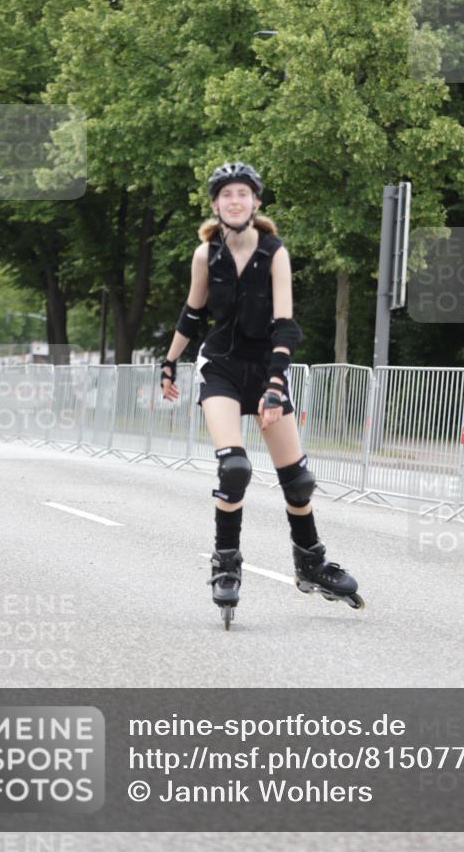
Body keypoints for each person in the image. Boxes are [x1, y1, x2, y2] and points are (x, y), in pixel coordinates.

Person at [160, 161, 364, 628]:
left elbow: (285, 325)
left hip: (265, 369)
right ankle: (226, 565)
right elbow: (192, 315)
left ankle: (310, 562)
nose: (235, 201)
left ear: (255, 202)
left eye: (243, 194)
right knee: (234, 468)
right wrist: (170, 360)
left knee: (298, 481)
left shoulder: (275, 252)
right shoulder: (204, 254)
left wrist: (275, 385)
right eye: (226, 194)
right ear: (216, 204)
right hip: (222, 368)